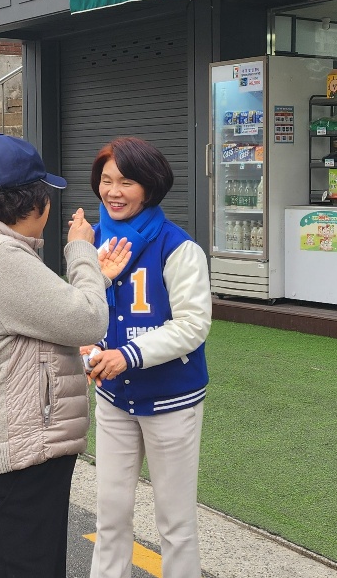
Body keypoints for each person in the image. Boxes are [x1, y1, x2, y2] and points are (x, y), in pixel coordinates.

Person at [0, 133, 131, 578]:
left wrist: (96, 278)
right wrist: (81, 250)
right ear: (36, 202)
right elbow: (88, 320)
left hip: (8, 467)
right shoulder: (0, 257)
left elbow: (45, 320)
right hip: (9, 472)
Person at [83, 137, 212, 578]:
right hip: (113, 399)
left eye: (126, 181)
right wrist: (91, 348)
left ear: (150, 186)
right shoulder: (93, 240)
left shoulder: (179, 247)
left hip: (171, 401)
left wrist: (128, 355)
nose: (113, 192)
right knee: (110, 514)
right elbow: (85, 314)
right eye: (106, 180)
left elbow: (193, 325)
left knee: (175, 523)